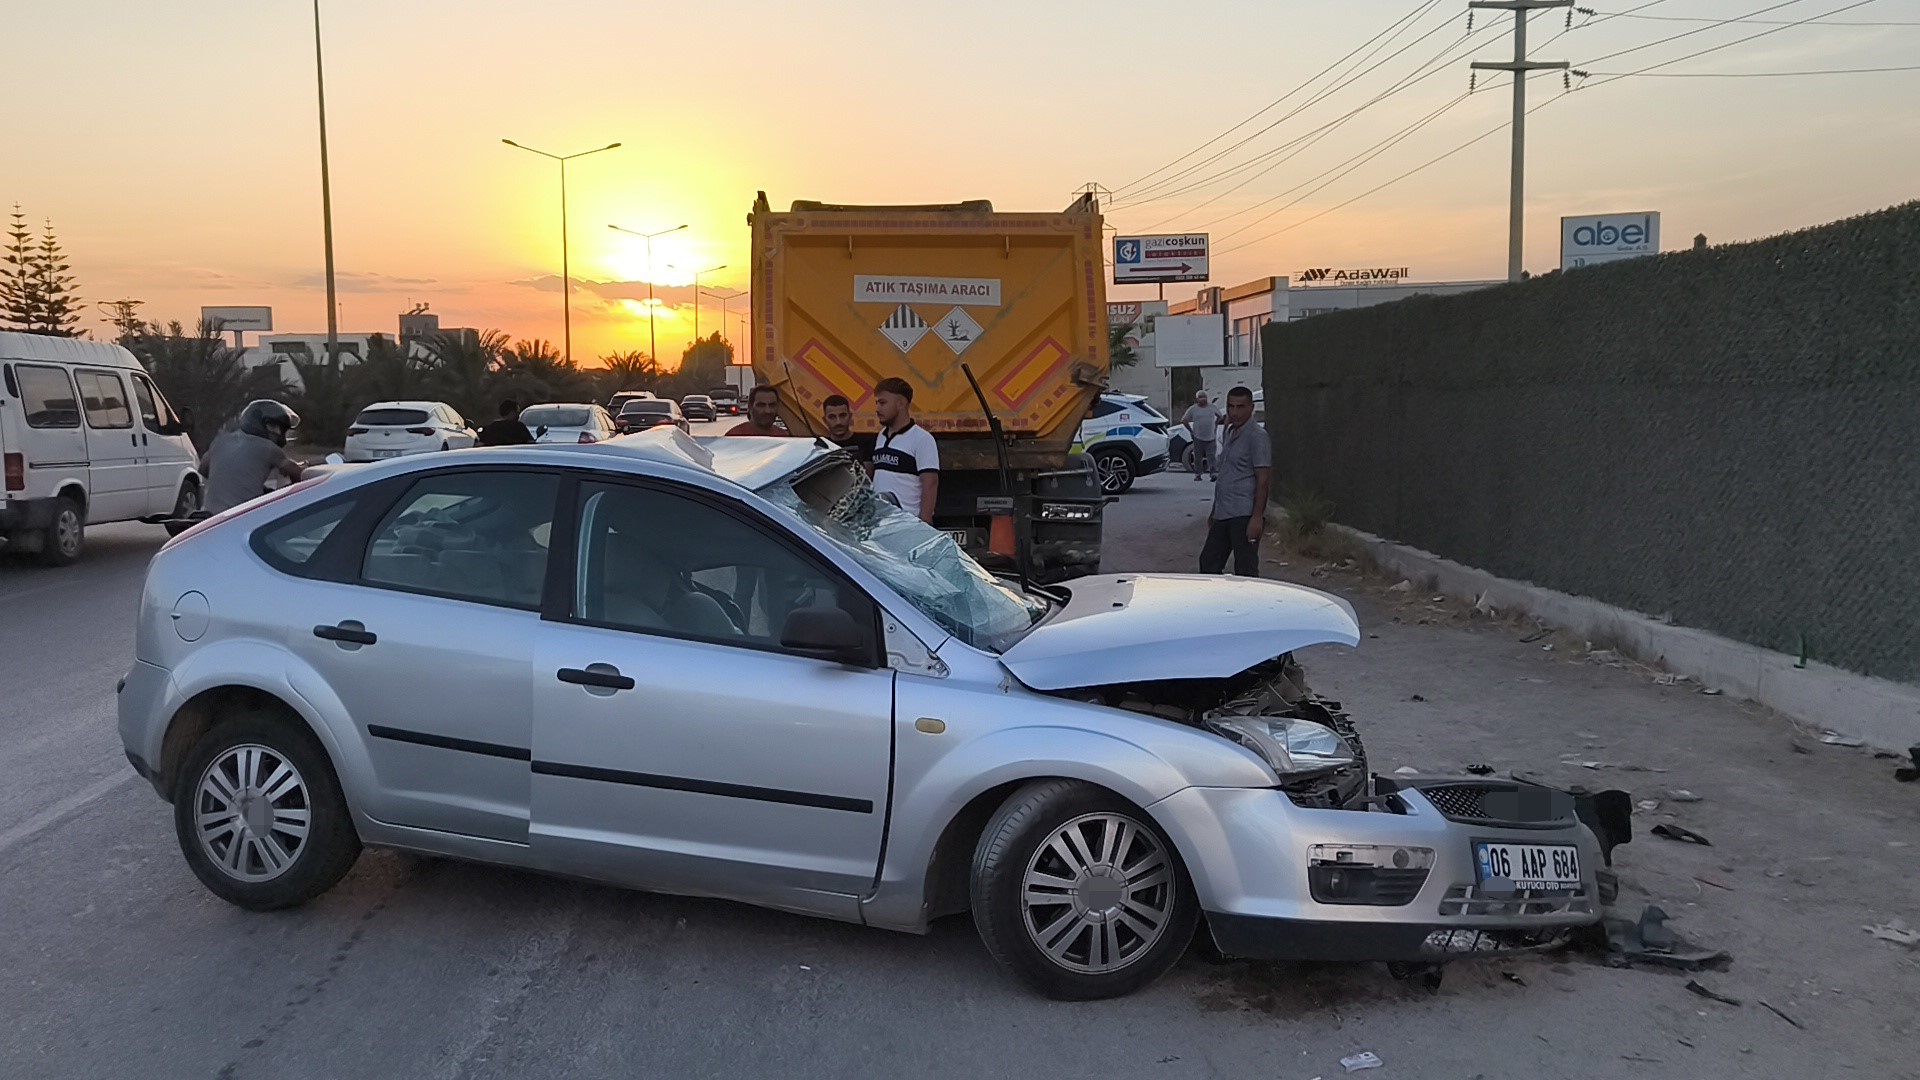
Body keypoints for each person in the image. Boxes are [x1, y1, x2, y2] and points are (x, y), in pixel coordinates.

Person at [1198, 385, 1270, 577]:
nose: (1235, 412)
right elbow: (1226, 474)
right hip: (1223, 512)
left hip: (1244, 513)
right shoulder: (1229, 432)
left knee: (1245, 570)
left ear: (1251, 408)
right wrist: (1214, 510)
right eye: (1231, 406)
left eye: (1241, 407)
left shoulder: (1257, 436)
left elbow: (1263, 480)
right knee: (1208, 562)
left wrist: (1257, 518)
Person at [199, 399, 304, 515]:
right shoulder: (268, 448)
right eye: (273, 426)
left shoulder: (222, 441)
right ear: (259, 423)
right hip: (244, 516)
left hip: (211, 517)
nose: (279, 433)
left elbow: (203, 469)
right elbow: (297, 472)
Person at [870, 377, 939, 523]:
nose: (877, 409)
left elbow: (930, 482)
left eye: (883, 403)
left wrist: (925, 523)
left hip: (907, 523)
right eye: (876, 403)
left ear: (900, 403)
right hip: (881, 522)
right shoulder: (881, 436)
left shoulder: (922, 438)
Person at [1181, 391, 1222, 481]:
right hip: (1198, 437)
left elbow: (1220, 416)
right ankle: (1198, 474)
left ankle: (1213, 473)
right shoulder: (1193, 409)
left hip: (1211, 436)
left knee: (1211, 456)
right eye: (1200, 397)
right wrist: (1191, 431)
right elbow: (1184, 420)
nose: (1202, 399)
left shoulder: (1212, 407)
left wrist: (1215, 425)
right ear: (1197, 399)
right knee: (1198, 457)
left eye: (1204, 396)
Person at [820, 393, 871, 465]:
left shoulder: (867, 442)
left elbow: (868, 471)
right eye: (832, 417)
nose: (838, 422)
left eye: (842, 415)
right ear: (825, 420)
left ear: (850, 416)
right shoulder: (820, 447)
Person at [726, 385, 791, 437]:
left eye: (772, 405)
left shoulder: (783, 437)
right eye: (761, 405)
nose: (767, 411)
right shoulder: (735, 436)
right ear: (750, 407)